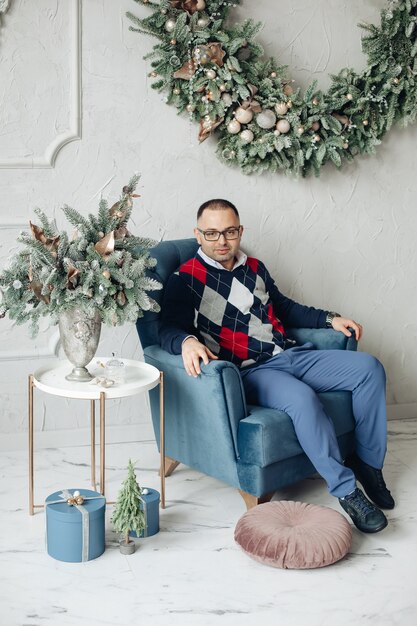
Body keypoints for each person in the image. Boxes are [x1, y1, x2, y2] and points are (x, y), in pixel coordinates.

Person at [160, 199, 394, 533]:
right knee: (301, 399)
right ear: (198, 235)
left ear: (240, 231)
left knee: (369, 368)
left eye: (228, 231)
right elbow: (167, 329)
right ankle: (347, 492)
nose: (221, 241)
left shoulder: (255, 267)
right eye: (211, 233)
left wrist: (330, 319)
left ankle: (369, 465)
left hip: (292, 354)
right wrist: (187, 342)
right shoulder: (184, 280)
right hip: (254, 371)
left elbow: (284, 308)